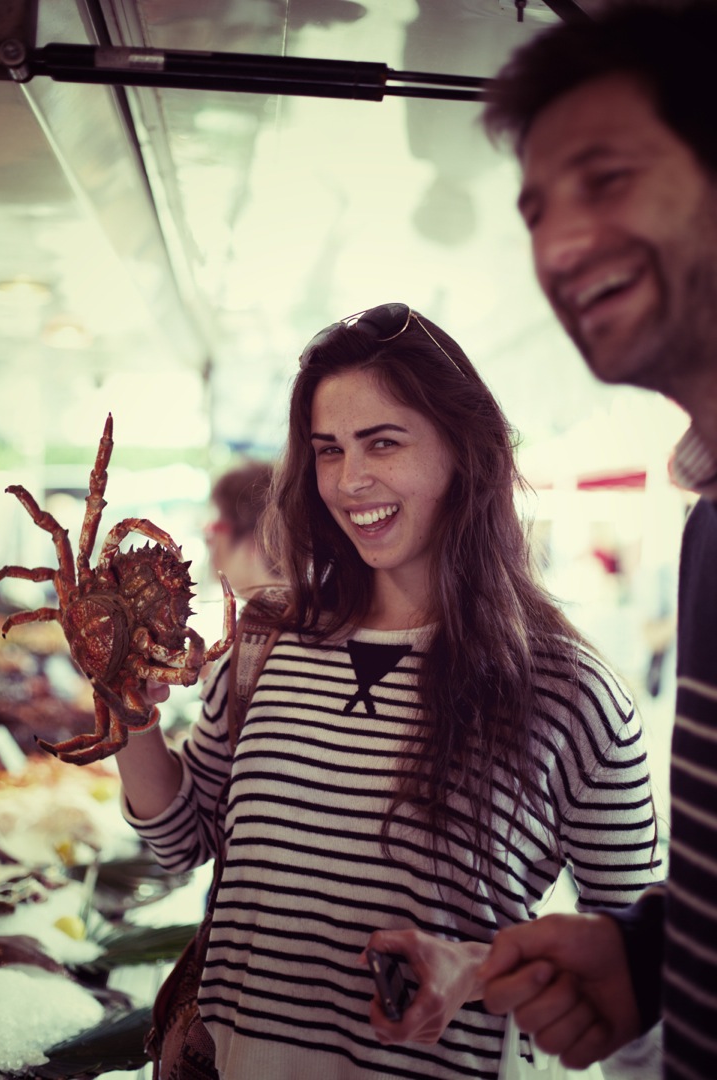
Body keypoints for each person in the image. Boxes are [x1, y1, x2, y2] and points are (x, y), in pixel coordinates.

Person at [117, 302, 661, 1080]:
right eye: (328, 450)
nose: (349, 480)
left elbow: (639, 975)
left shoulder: (571, 690)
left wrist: (472, 971)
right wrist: (126, 709)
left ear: (462, 450)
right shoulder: (268, 636)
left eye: (382, 443)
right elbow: (179, 844)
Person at [478, 5, 717, 1079]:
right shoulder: (709, 526)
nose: (559, 243)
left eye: (607, 178)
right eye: (536, 209)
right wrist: (655, 955)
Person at [205, 461, 282, 597]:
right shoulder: (302, 610)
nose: (208, 540)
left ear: (257, 542)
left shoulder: (262, 616)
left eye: (217, 528)